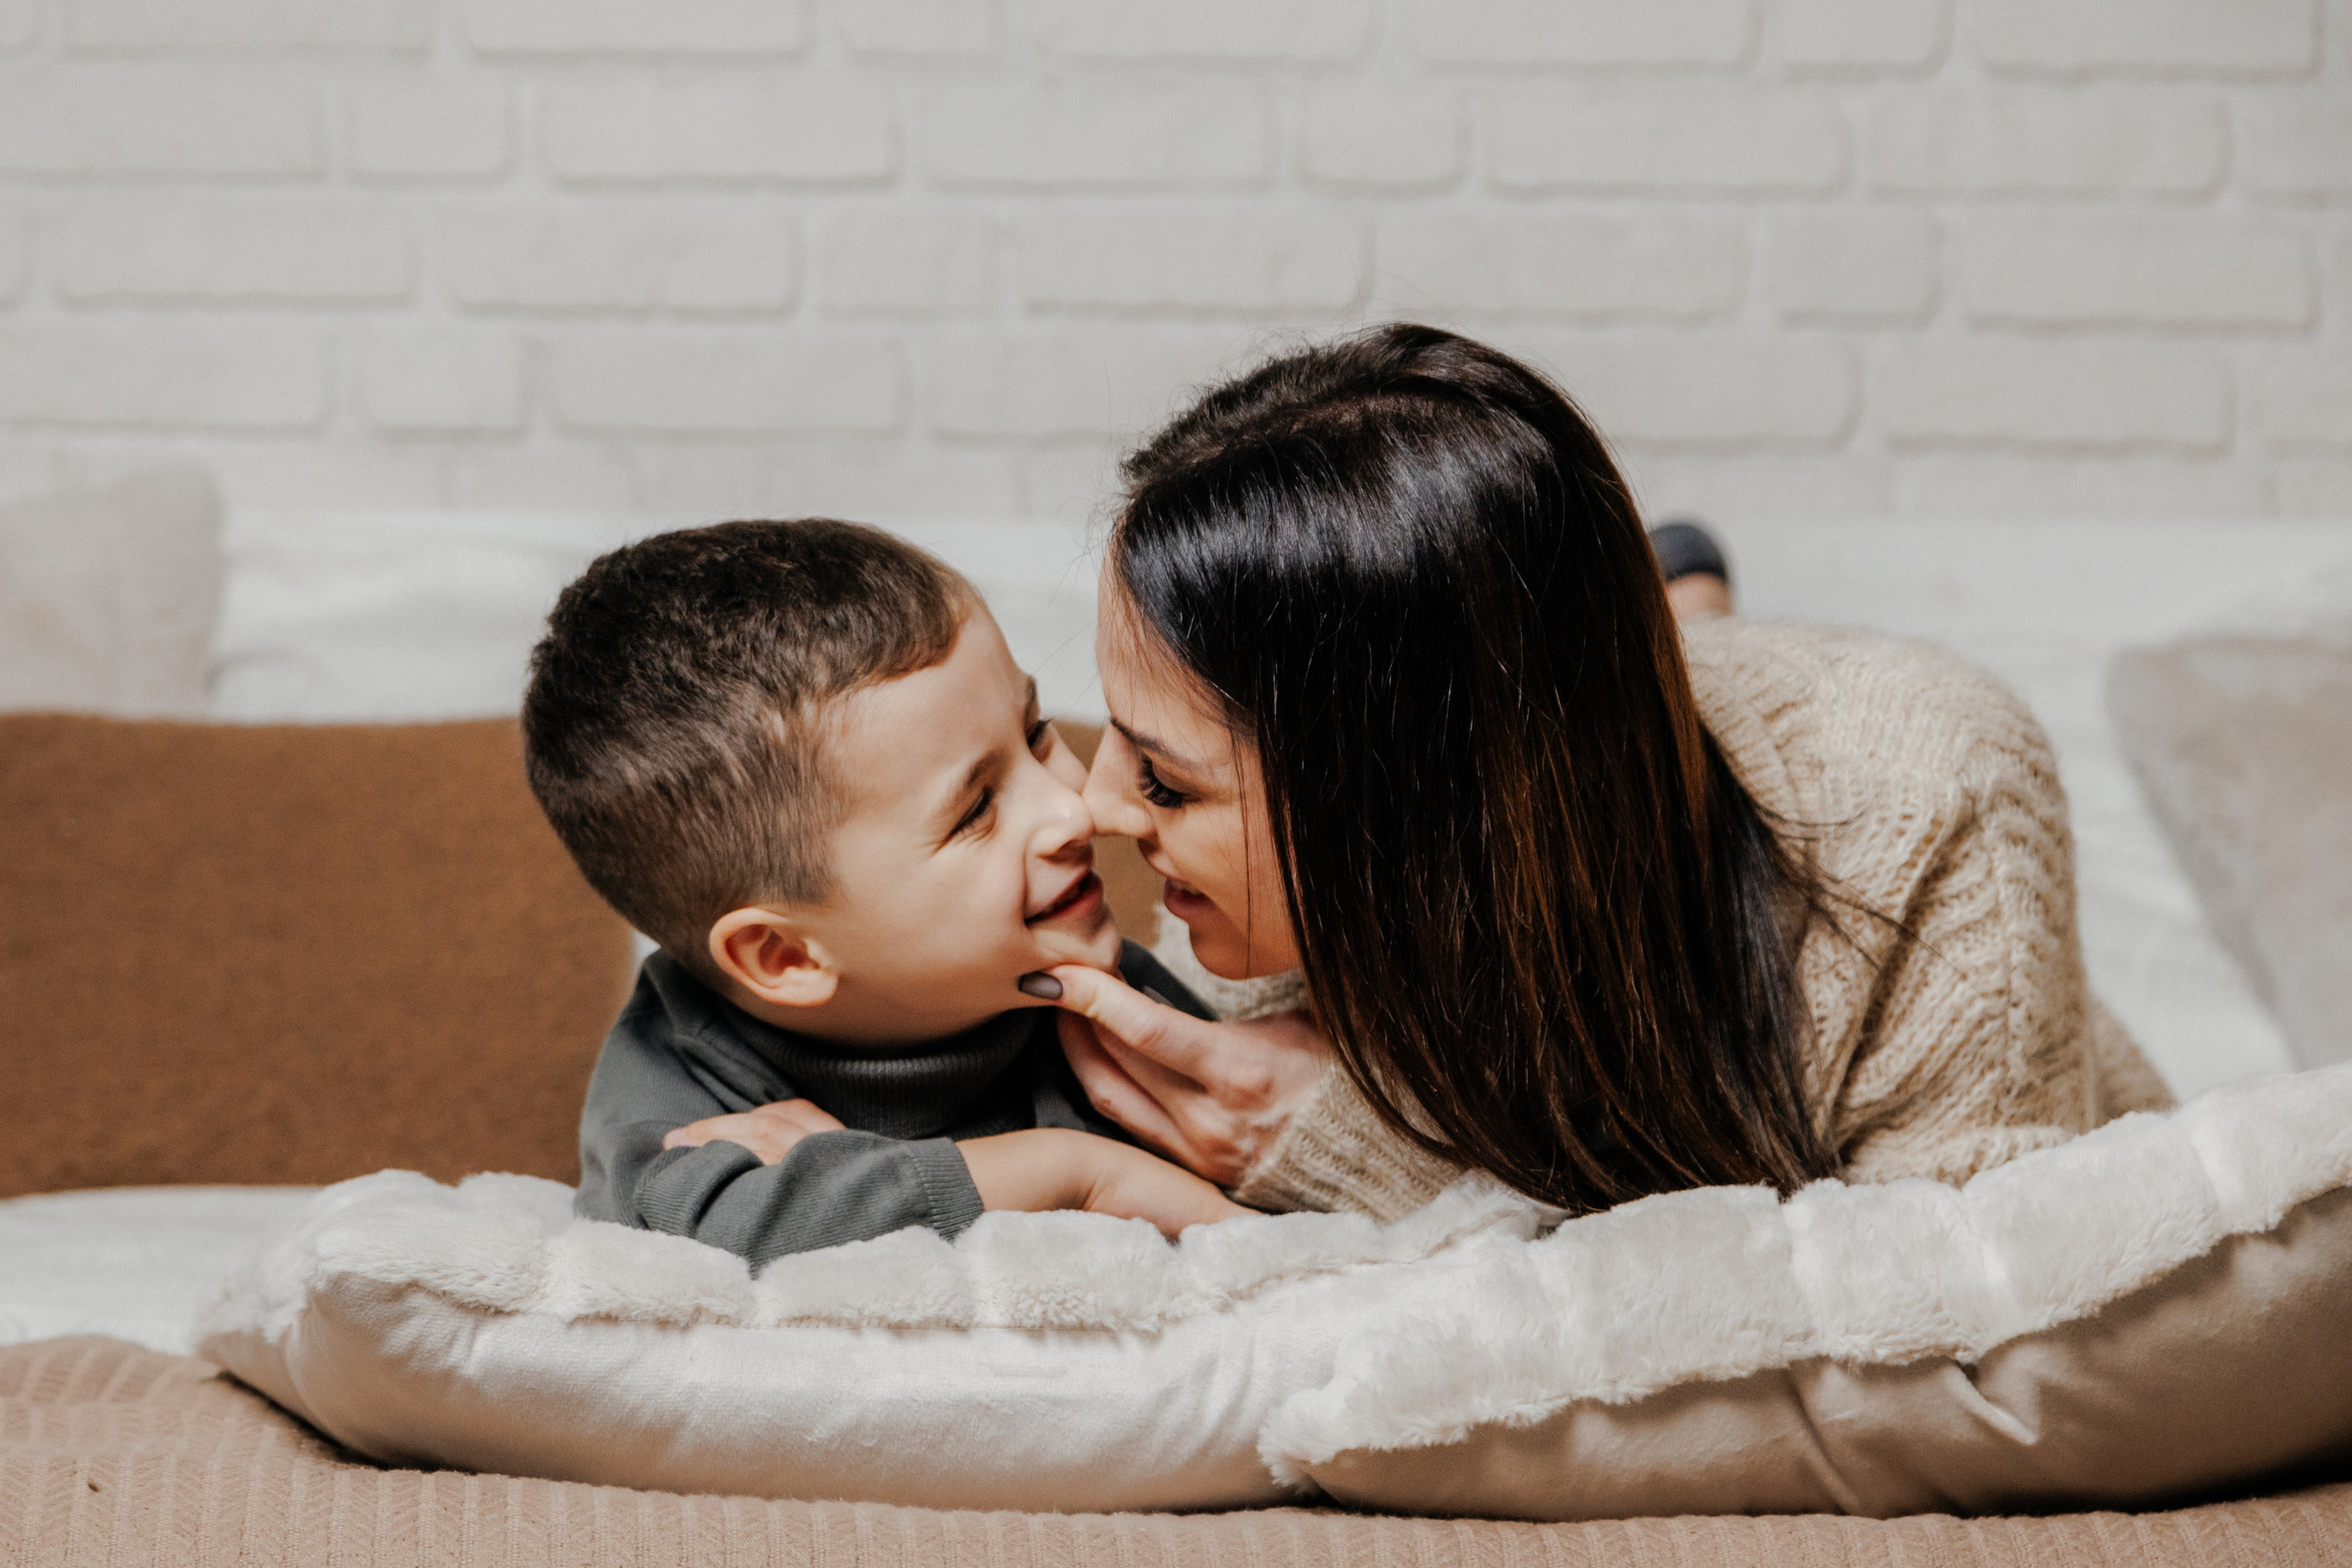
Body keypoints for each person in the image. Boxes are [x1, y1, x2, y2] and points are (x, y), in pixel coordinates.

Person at [1026, 324, 2177, 1221]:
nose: (1095, 805)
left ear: (1414, 816)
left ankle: (1690, 606)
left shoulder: (1940, 799)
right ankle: (1686, 599)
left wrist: (1361, 1161)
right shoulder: (1257, 911)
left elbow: (1952, 1348)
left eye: (1165, 782)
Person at [521, 519, 1244, 1268]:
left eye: (1036, 734)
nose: (1073, 809)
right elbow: (688, 1232)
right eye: (974, 809)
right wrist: (1080, 1173)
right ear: (785, 954)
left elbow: (1264, 1203)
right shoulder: (680, 1077)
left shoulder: (1106, 996)